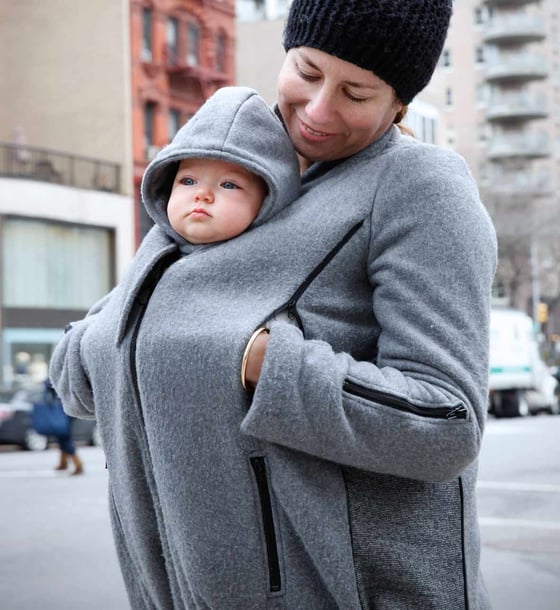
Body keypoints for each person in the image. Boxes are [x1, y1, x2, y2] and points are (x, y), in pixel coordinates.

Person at [50, 1, 497, 608]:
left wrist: (260, 362)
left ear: (399, 102)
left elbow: (445, 427)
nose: (318, 110)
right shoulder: (225, 175)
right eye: (307, 72)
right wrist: (97, 350)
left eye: (356, 92)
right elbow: (89, 373)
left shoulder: (420, 187)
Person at [43, 378, 83, 475]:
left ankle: (78, 465)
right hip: (65, 410)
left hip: (62, 412)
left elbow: (50, 383)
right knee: (61, 438)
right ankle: (63, 462)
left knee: (65, 438)